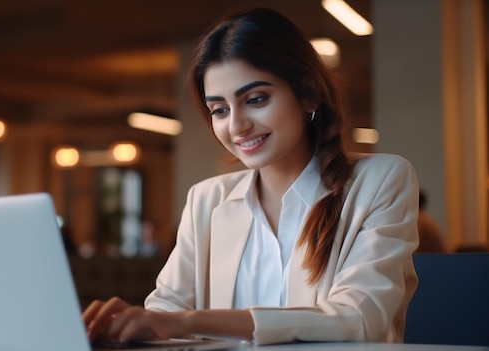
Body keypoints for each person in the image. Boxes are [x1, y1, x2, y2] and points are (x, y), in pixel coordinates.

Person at [83, 7, 419, 345]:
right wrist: (130, 328)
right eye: (220, 110)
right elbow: (166, 310)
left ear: (308, 94)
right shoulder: (206, 200)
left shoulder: (381, 180)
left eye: (256, 99)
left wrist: (188, 321)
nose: (236, 126)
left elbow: (359, 318)